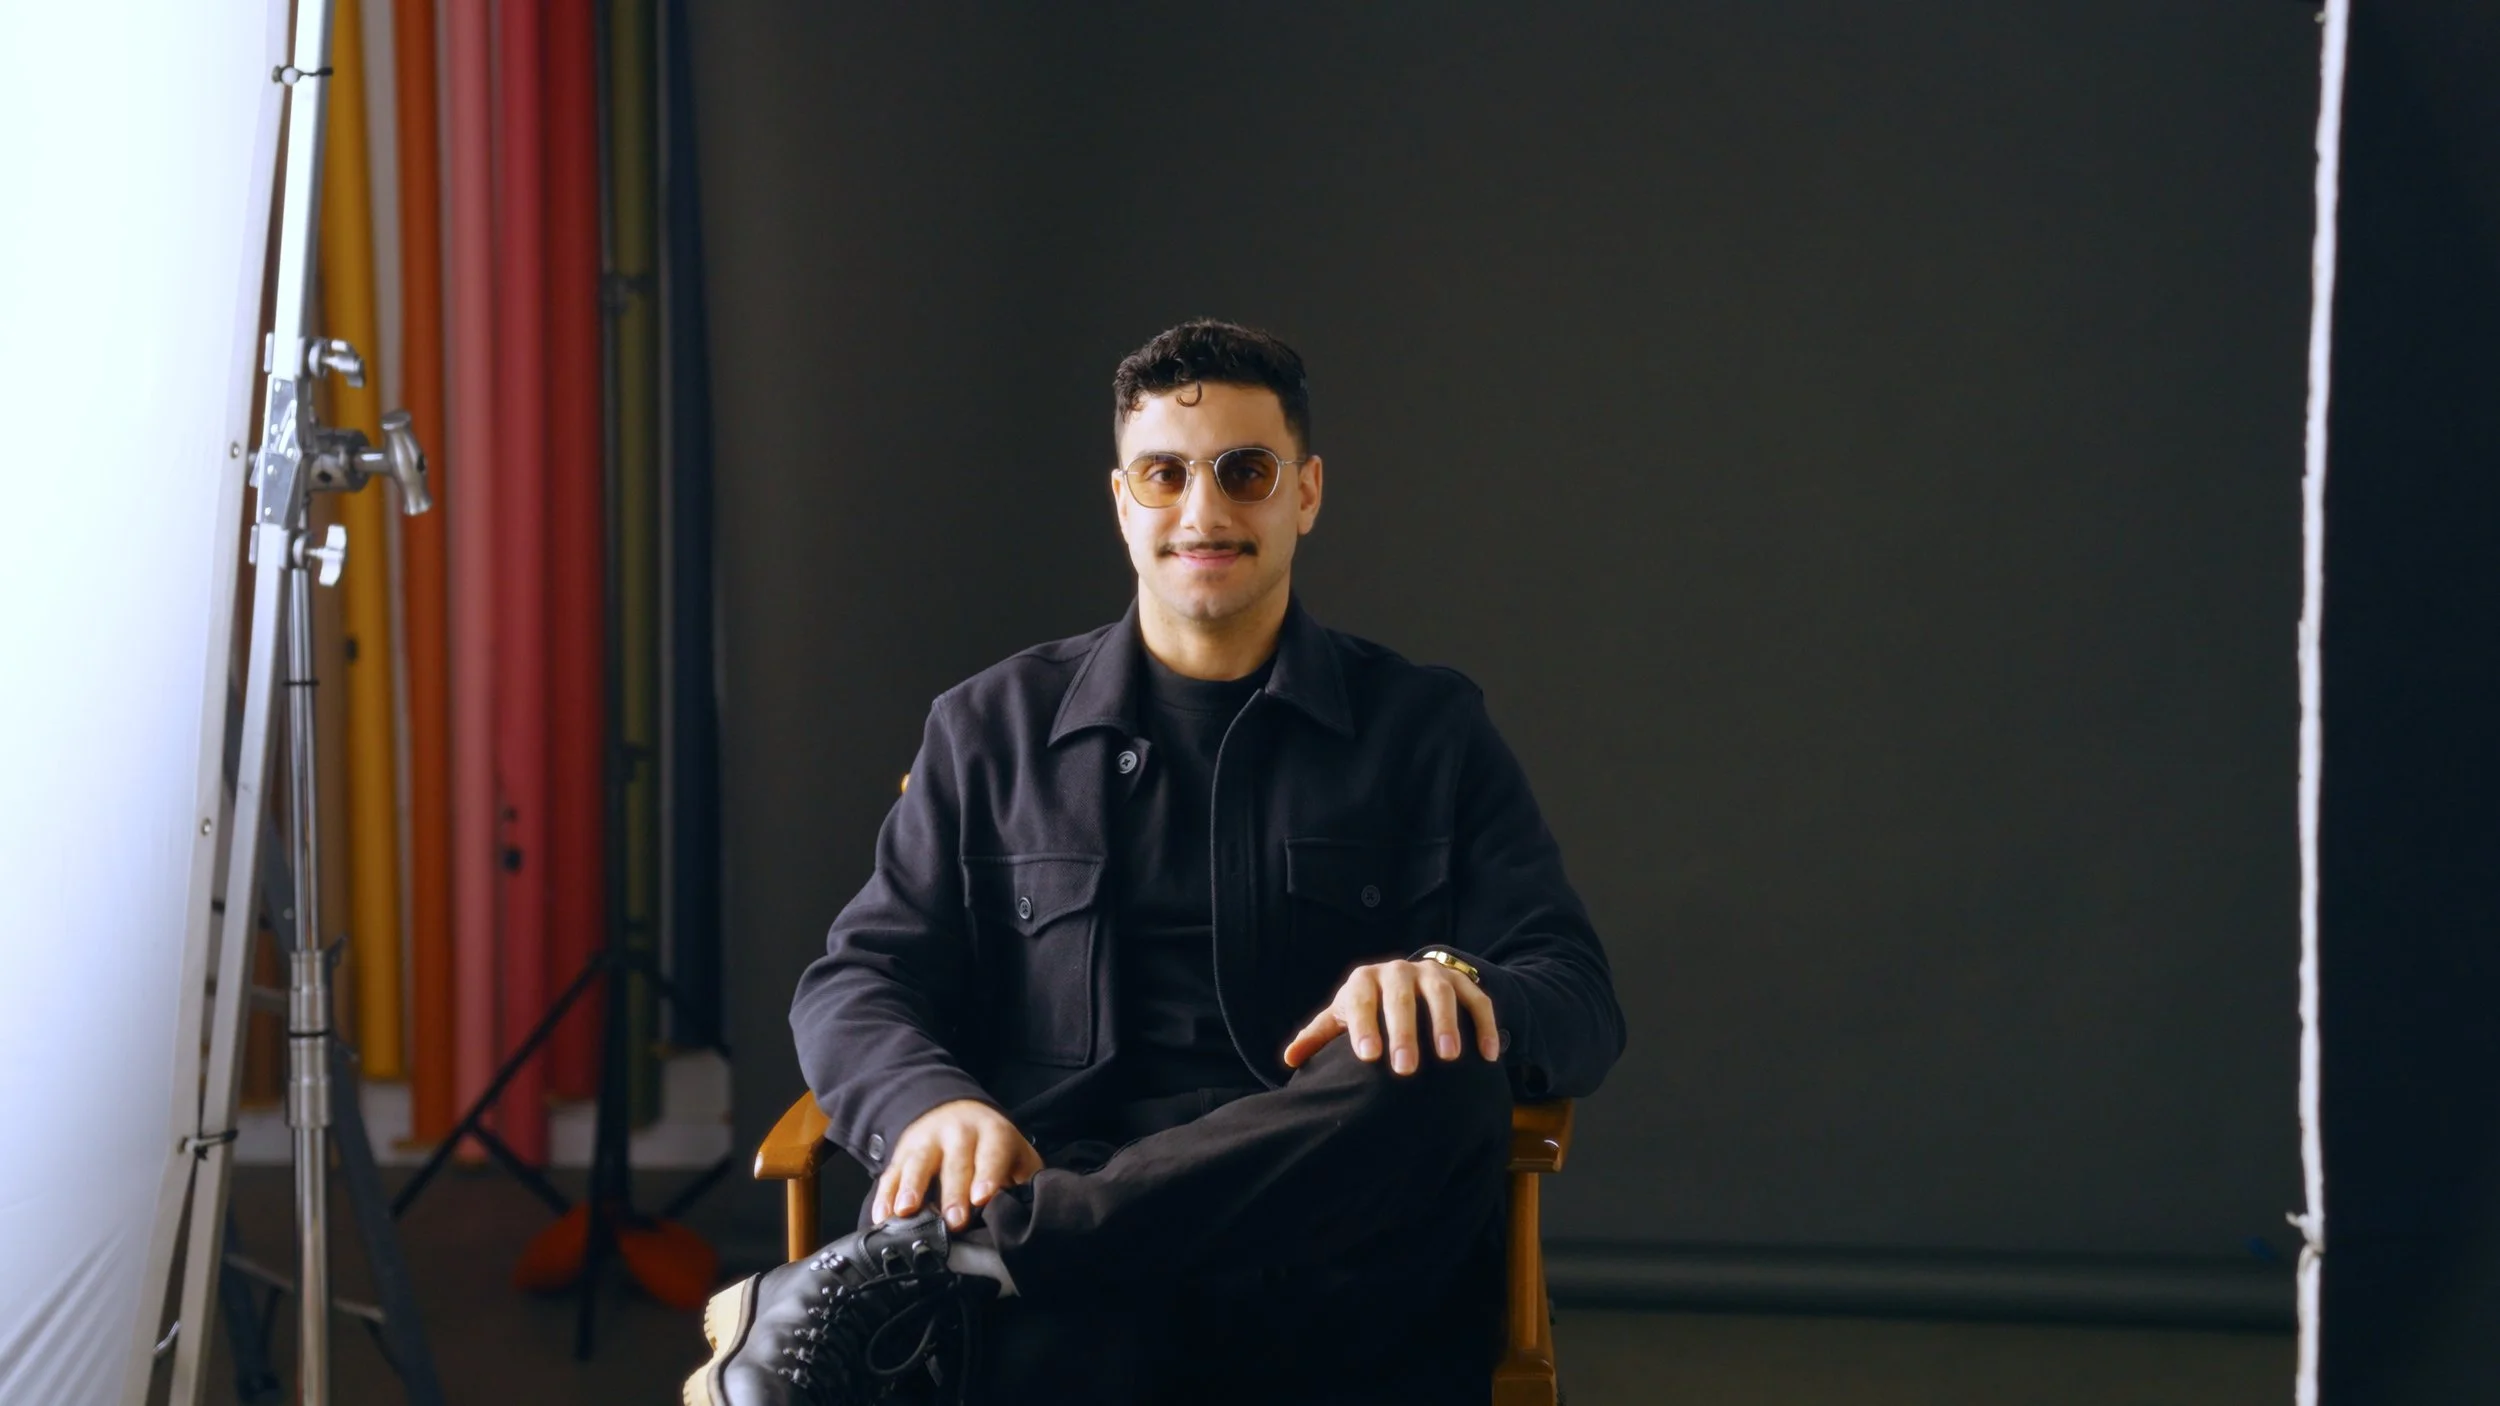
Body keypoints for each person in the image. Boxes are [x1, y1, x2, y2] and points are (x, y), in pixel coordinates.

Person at [686, 319, 1625, 1405]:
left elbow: (1579, 1001)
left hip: (1326, 1248)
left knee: (1444, 1056)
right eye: (1165, 474)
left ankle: (974, 1254)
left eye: (1246, 471)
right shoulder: (990, 725)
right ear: (1121, 499)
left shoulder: (1427, 728)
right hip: (1069, 1226)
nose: (1203, 510)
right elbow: (858, 979)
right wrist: (928, 1102)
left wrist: (1456, 980)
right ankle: (1012, 1248)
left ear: (1306, 493)